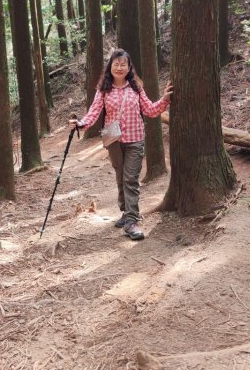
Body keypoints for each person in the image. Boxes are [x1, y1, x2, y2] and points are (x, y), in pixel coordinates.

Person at [69, 49, 173, 241]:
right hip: (114, 141)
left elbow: (150, 110)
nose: (119, 67)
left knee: (131, 179)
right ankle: (125, 212)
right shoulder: (104, 89)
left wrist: (165, 99)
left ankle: (132, 221)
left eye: (123, 64)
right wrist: (80, 124)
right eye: (116, 64)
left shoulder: (136, 88)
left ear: (128, 67)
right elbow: (94, 112)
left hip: (135, 139)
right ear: (110, 67)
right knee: (120, 177)